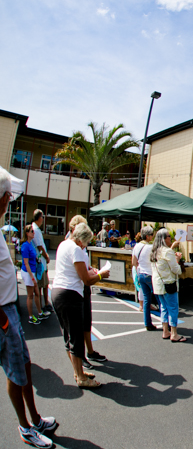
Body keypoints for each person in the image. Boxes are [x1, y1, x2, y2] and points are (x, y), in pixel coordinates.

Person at [0, 171, 59, 449]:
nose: (9, 200)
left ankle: (34, 419)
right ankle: (25, 427)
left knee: (24, 364)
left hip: (9, 310)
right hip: (2, 313)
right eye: (6, 195)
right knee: (16, 371)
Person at [52, 223, 109, 389]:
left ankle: (78, 373)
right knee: (76, 339)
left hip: (57, 292)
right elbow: (86, 280)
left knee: (68, 337)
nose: (85, 246)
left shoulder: (63, 244)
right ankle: (81, 377)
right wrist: (101, 274)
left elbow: (78, 272)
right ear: (81, 240)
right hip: (70, 296)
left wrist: (92, 272)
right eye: (86, 242)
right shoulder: (76, 249)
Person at [65, 216, 108, 371]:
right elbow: (80, 274)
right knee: (76, 327)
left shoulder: (78, 246)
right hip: (75, 289)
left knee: (86, 321)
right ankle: (80, 358)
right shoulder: (72, 245)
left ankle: (89, 352)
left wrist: (91, 270)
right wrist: (98, 275)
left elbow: (83, 266)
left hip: (81, 286)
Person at [151, 228, 186, 342]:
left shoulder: (155, 251)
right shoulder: (168, 252)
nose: (170, 238)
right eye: (169, 237)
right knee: (173, 308)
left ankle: (166, 331)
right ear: (164, 239)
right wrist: (177, 259)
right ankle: (174, 333)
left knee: (164, 308)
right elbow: (176, 270)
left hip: (158, 284)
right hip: (168, 283)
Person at [132, 226, 159, 331]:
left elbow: (134, 263)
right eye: (152, 235)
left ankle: (148, 323)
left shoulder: (136, 246)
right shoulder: (150, 247)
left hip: (141, 273)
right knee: (159, 298)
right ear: (147, 236)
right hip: (150, 274)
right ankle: (166, 323)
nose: (152, 237)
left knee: (147, 300)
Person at [20, 225, 46, 325]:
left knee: (37, 293)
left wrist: (37, 258)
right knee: (30, 295)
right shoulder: (25, 246)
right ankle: (31, 317)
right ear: (27, 233)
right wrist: (32, 277)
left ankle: (40, 313)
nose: (33, 233)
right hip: (28, 273)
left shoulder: (31, 245)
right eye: (31, 231)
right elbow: (26, 263)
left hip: (32, 271)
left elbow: (32, 258)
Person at [31, 210, 51, 314]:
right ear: (38, 217)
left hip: (41, 262)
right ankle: (42, 307)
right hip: (40, 262)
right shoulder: (35, 229)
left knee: (44, 284)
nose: (43, 219)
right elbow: (39, 246)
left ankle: (45, 304)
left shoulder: (36, 229)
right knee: (41, 285)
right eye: (42, 217)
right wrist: (46, 256)